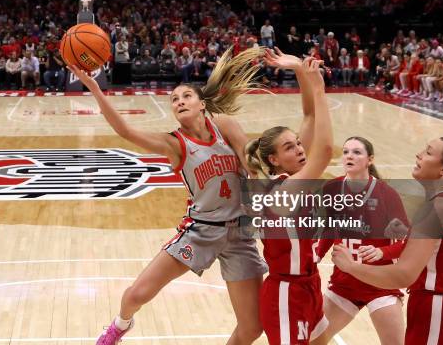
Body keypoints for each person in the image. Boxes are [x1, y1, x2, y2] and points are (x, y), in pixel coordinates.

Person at [69, 47, 268, 345]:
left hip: (240, 233)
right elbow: (125, 131)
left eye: (186, 96)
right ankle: (119, 326)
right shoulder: (174, 143)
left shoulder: (225, 126)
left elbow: (252, 167)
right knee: (137, 294)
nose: (179, 101)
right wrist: (96, 88)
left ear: (202, 104)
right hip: (200, 231)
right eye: (174, 100)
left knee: (252, 328)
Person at [332, 137, 443, 344]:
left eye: (428, 152)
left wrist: (350, 267)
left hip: (441, 313)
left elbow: (403, 275)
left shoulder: (437, 207)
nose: (419, 154)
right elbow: (441, 250)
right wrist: (409, 235)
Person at [244, 52, 333, 344]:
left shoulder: (292, 175)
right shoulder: (284, 190)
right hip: (286, 292)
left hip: (309, 285)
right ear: (274, 159)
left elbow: (308, 115)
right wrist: (318, 87)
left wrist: (298, 69)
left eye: (297, 143)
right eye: (290, 147)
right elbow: (326, 151)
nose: (299, 149)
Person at [316, 137, 409, 344]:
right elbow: (330, 229)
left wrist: (383, 252)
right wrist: (316, 255)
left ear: (370, 159)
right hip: (344, 284)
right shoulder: (331, 188)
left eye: (357, 152)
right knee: (313, 341)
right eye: (346, 151)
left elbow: (408, 242)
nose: (349, 155)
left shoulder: (387, 194)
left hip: (380, 284)